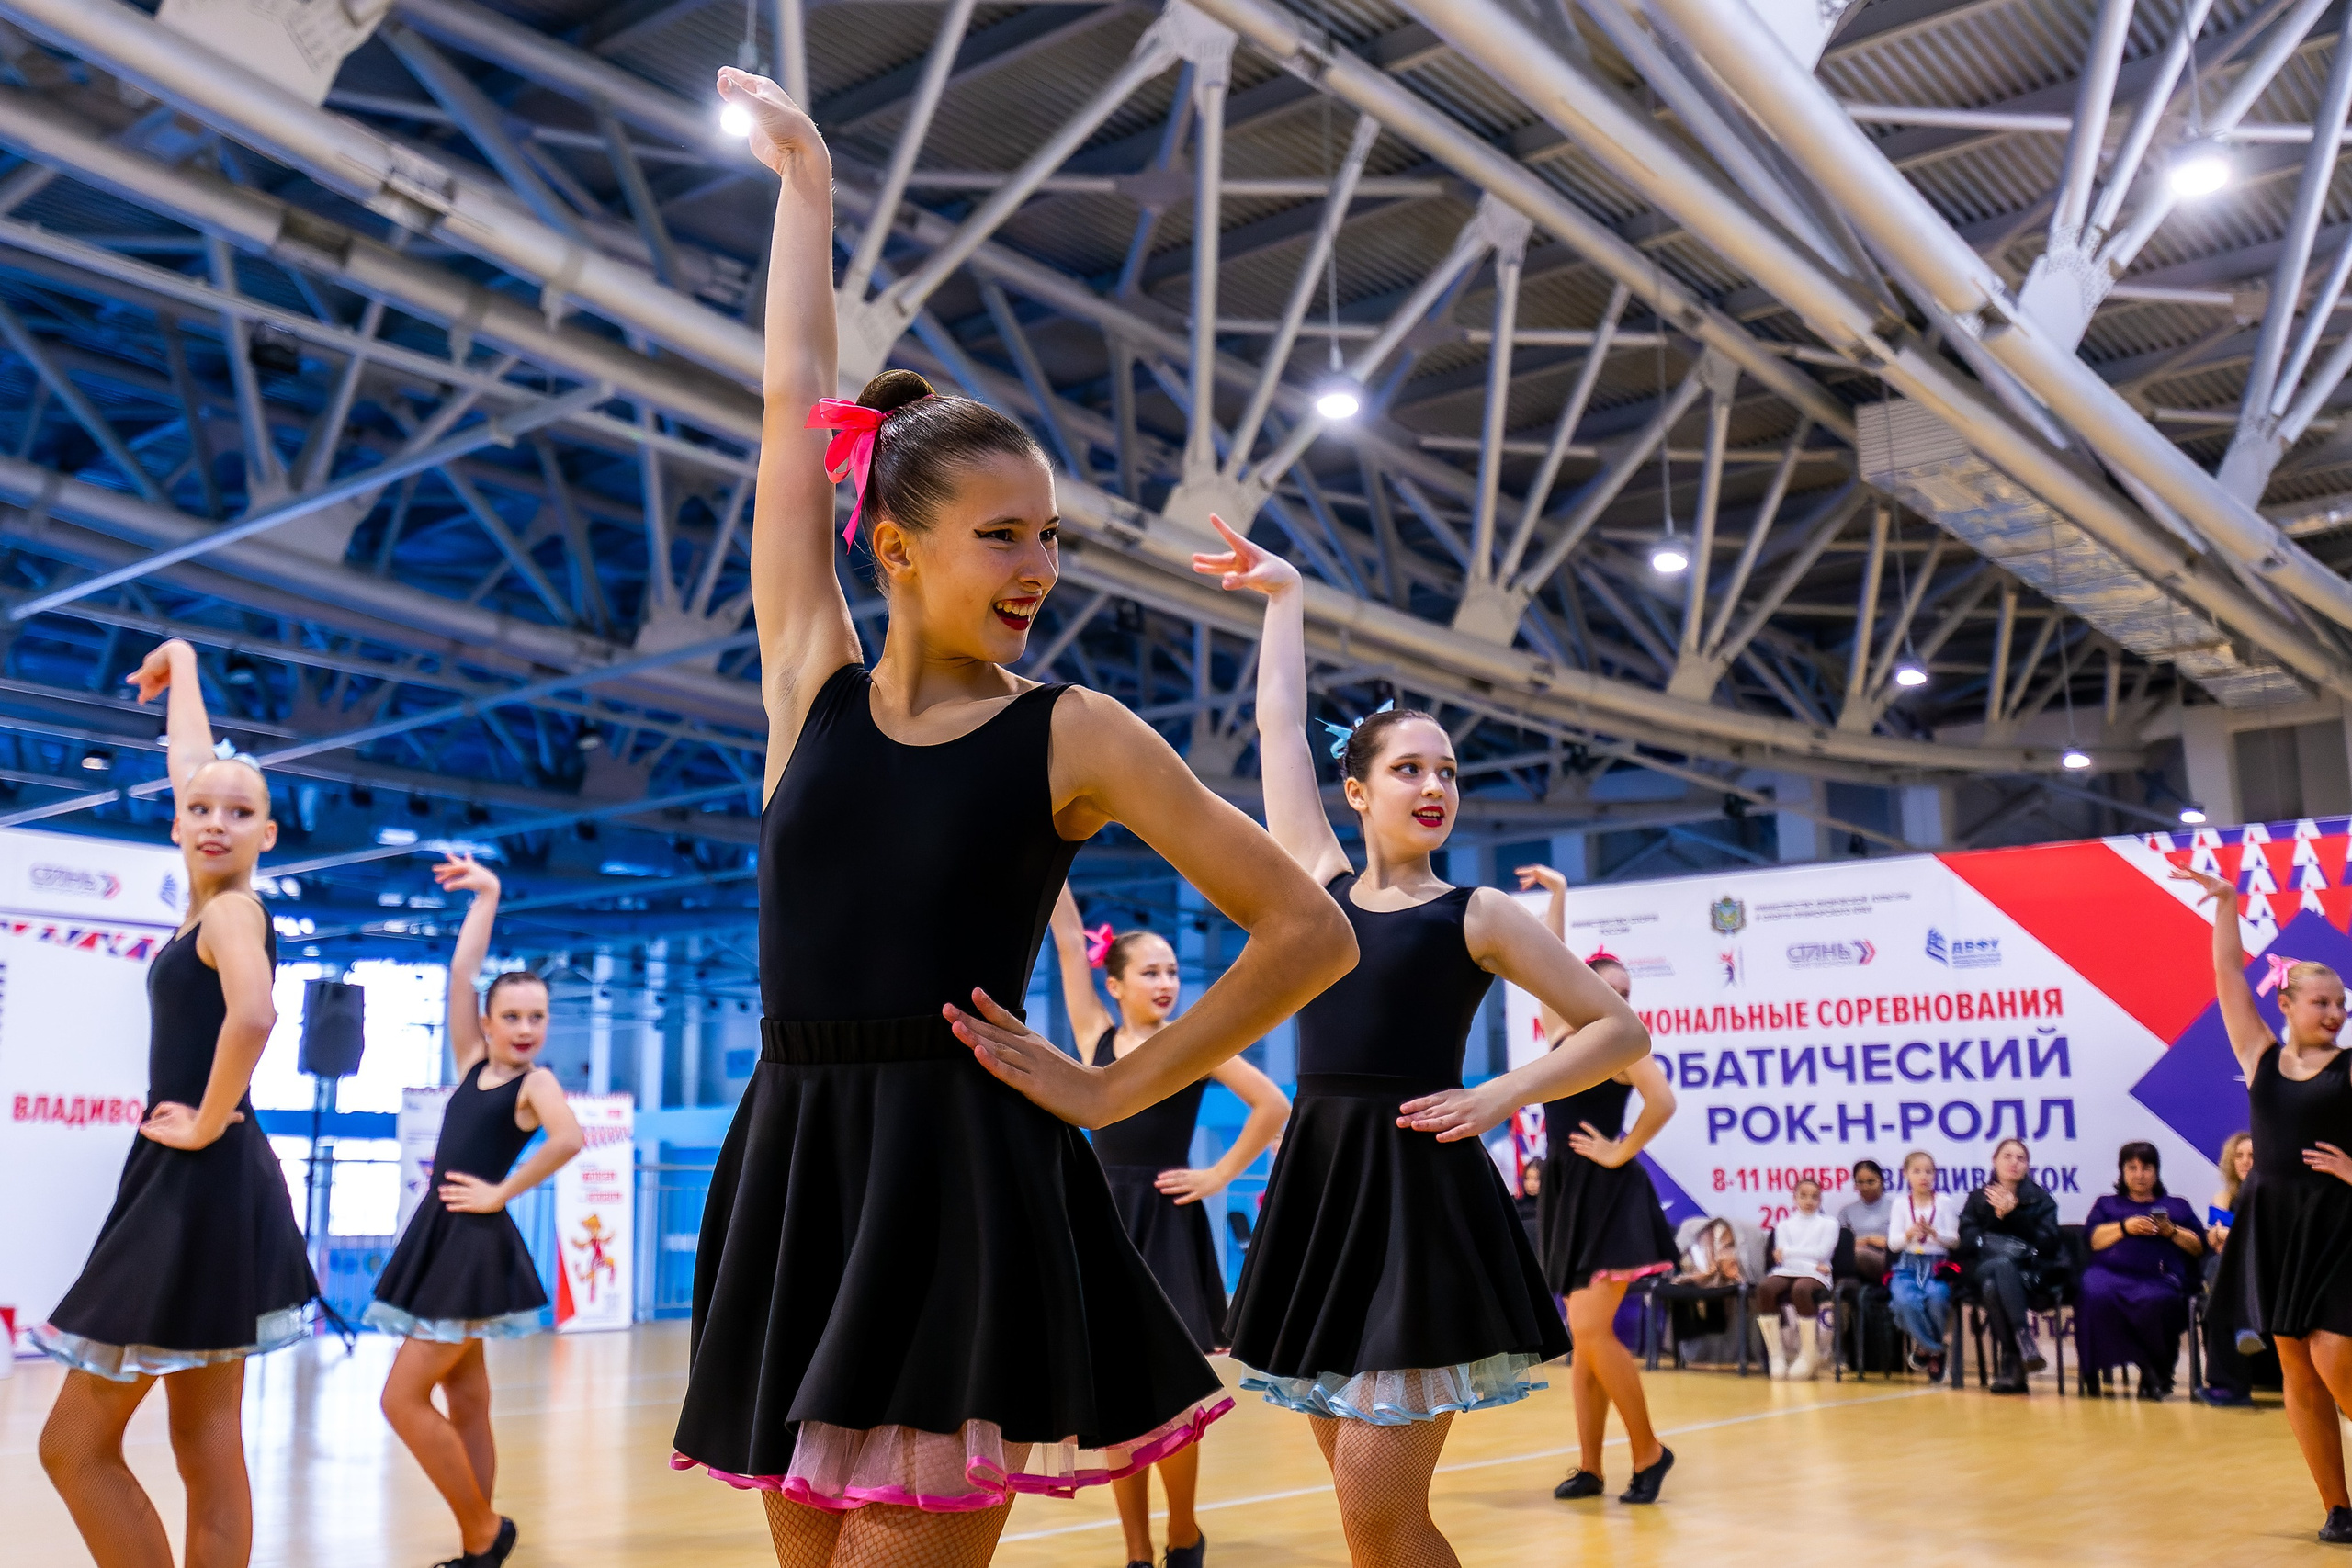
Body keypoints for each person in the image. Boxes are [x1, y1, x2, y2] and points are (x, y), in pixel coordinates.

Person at [669, 71, 1357, 1568]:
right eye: (1005, 536)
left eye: (1052, 535)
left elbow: (1308, 928)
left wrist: (1120, 1089)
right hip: (797, 1171)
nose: (1041, 564)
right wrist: (810, 187)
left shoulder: (1077, 733)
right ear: (897, 550)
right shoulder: (812, 683)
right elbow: (793, 403)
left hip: (961, 1187)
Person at [1182, 514, 1651, 1562]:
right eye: (1408, 770)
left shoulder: (1478, 915)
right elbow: (1277, 732)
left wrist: (1499, 1097)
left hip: (1418, 1202)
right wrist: (1287, 598)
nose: (1435, 786)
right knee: (1372, 1520)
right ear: (1357, 792)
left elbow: (1616, 1030)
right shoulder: (1314, 878)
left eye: (1445, 770)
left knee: (1377, 1503)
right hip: (1320, 1198)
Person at [31, 637, 313, 1568]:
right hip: (214, 1178)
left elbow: (256, 1013)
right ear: (177, 821)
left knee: (70, 1447)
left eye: (240, 813)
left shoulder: (233, 912)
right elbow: (193, 760)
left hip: (197, 1174)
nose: (215, 820)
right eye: (199, 808)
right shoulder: (209, 901)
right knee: (206, 1442)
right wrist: (183, 665)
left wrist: (202, 1116)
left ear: (266, 835)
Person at [1046, 887, 1291, 1568]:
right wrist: (1048, 832)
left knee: (1174, 1400)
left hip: (1169, 1224)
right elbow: (1068, 939)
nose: (1166, 983)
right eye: (1151, 972)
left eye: (1173, 971)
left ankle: (1184, 1531)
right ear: (1115, 983)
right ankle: (1136, 1551)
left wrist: (1216, 1177)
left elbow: (1271, 1104)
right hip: (1103, 1224)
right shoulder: (1094, 1030)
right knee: (1119, 1402)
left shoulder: (1196, 1042)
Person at [367, 853, 585, 1568]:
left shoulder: (537, 1081)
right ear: (488, 1022)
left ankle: (484, 1531)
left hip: (472, 1246)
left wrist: (501, 1191)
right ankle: (478, 1533)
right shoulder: (470, 1061)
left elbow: (570, 1138)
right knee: (467, 1399)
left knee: (401, 1400)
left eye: (538, 1017)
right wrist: (486, 895)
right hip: (444, 1236)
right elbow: (462, 974)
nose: (525, 1028)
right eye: (513, 1015)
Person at [2173, 865, 2352, 1543]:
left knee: (2336, 1355)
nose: (2335, 1013)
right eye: (2322, 1002)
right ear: (2288, 1003)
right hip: (2275, 1226)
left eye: (2340, 1003)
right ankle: (2339, 1507)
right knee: (2296, 1368)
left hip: (2341, 1225)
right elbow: (2227, 979)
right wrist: (2227, 905)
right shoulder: (2260, 1054)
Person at [1515, 864, 1679, 1501]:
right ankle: (1590, 1464)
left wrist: (1621, 1152)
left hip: (1608, 1196)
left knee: (1588, 1331)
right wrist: (1558, 896)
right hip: (1565, 1193)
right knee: (1581, 1342)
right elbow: (1546, 959)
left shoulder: (1623, 1044)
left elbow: (1661, 1102)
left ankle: (1650, 1451)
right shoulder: (1563, 1034)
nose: (1619, 999)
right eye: (1608, 987)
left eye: (1626, 992)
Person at [2078, 1142, 2202, 1400]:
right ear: (2122, 1172)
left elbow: (2198, 1246)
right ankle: (2144, 1370)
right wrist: (2125, 1227)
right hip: (2109, 1274)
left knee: (2156, 1301)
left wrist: (2172, 1232)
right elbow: (2093, 1239)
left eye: (2146, 1167)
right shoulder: (2107, 1205)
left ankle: (2156, 1372)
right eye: (2132, 1167)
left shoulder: (2176, 1206)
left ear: (2156, 1171)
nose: (2139, 1174)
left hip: (2158, 1277)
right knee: (2095, 1294)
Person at [1957, 1136, 2064, 1394]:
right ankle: (2024, 1339)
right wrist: (1997, 1218)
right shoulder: (1977, 1198)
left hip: (2028, 1273)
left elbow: (2048, 1244)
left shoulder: (2041, 1200)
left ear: (2028, 1165)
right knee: (1999, 1267)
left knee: (1995, 1286)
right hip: (1982, 1268)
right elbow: (1968, 1238)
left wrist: (2014, 1215)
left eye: (2021, 1158)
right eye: (2007, 1156)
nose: (2014, 1163)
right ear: (1994, 1161)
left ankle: (2012, 1360)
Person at [2202, 1131, 2273, 1405]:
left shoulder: (2273, 1193)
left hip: (2269, 1270)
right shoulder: (2223, 1196)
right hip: (2232, 1268)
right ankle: (2244, 1330)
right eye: (2238, 1156)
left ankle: (2228, 1387)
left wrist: (2226, 1235)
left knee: (2221, 1280)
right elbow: (2213, 1238)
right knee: (2219, 1272)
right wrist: (2225, 1236)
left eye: (2252, 1156)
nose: (2245, 1161)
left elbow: (2258, 1238)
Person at [1884, 1150, 1962, 1380]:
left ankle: (1923, 1349)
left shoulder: (1944, 1202)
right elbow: (1893, 1244)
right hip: (1908, 1266)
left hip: (1936, 1265)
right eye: (1917, 1171)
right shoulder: (1900, 1204)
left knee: (1936, 1299)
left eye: (1929, 1171)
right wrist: (1909, 1234)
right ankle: (1936, 1350)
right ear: (1906, 1174)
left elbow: (1955, 1241)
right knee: (1904, 1301)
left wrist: (1934, 1233)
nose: (1923, 1176)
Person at [1757, 1178, 1838, 1381]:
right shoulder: (1784, 1224)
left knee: (1801, 1289)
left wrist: (1789, 1252)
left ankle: (1808, 1354)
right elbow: (1780, 1257)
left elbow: (1822, 1252)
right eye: (1803, 1196)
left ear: (1821, 1199)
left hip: (1817, 1273)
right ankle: (1776, 1355)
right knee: (1765, 1289)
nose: (1809, 1201)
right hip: (1789, 1270)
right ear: (1794, 1198)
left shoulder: (1829, 1223)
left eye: (1814, 1196)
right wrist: (1800, 1257)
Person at [1840, 1160, 1892, 1280]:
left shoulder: (1895, 1208)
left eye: (1871, 1182)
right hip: (1852, 1259)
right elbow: (1840, 1244)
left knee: (1859, 1255)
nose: (1865, 1187)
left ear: (1882, 1181)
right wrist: (1868, 1240)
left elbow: (1897, 1242)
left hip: (1885, 1259)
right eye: (1860, 1182)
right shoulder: (1846, 1211)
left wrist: (1861, 1242)